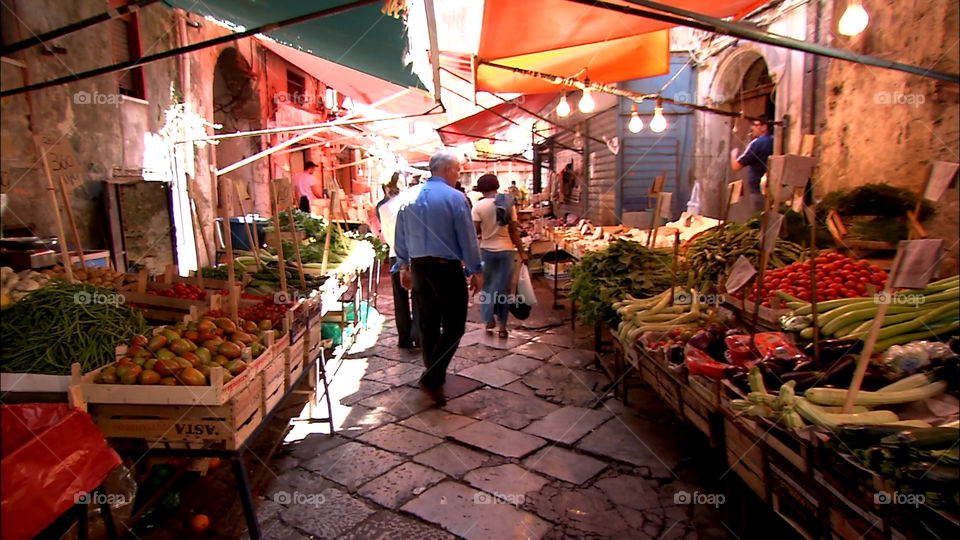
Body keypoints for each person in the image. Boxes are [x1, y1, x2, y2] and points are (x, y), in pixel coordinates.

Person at [393, 151, 483, 404]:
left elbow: (400, 236)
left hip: (420, 268)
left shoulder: (408, 197)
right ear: (448, 170)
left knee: (428, 324)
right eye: (457, 171)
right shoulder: (455, 198)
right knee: (455, 326)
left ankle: (434, 377)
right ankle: (433, 378)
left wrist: (404, 267)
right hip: (446, 268)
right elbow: (467, 237)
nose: (458, 176)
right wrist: (476, 270)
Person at [472, 174, 527, 338]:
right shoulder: (508, 204)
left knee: (487, 287)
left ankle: (489, 320)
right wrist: (522, 252)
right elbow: (514, 232)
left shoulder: (478, 206)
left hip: (487, 251)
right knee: (504, 290)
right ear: (496, 186)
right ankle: (503, 327)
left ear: (481, 190)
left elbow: (474, 233)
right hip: (506, 250)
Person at [376, 175, 419, 349]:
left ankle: (404, 337)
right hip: (415, 254)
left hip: (395, 253)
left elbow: (386, 235)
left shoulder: (383, 208)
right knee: (418, 295)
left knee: (399, 298)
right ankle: (418, 334)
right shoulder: (412, 204)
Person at [730, 115, 774, 218]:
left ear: (764, 127)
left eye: (755, 125)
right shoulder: (775, 141)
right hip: (773, 191)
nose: (752, 128)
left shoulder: (757, 143)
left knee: (758, 220)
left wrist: (733, 155)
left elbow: (736, 166)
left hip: (758, 191)